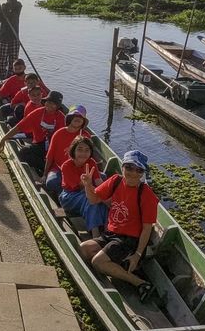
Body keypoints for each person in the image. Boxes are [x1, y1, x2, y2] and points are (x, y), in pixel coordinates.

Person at [80, 150, 158, 302]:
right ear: (122, 167)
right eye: (129, 167)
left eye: (139, 170)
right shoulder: (115, 181)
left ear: (142, 173)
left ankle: (141, 283)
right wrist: (88, 185)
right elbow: (93, 200)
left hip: (129, 240)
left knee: (97, 262)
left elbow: (147, 228)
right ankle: (116, 264)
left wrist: (137, 255)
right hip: (110, 234)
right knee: (83, 248)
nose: (133, 173)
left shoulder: (146, 194)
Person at [0, 90, 65, 173]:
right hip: (39, 144)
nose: (50, 105)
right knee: (23, 152)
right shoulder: (38, 112)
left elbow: (62, 139)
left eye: (53, 104)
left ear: (57, 106)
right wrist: (4, 138)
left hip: (53, 146)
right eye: (48, 102)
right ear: (45, 102)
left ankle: (48, 168)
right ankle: (44, 168)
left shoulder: (61, 118)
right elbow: (19, 127)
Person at [58, 137, 107, 237]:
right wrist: (90, 186)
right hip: (70, 197)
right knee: (91, 199)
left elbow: (98, 181)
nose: (83, 153)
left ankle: (107, 229)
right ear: (74, 150)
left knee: (103, 200)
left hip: (87, 190)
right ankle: (95, 234)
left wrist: (108, 194)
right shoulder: (67, 166)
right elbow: (81, 187)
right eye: (79, 150)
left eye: (87, 150)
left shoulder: (91, 162)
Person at [41, 105, 90, 196]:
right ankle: (66, 197)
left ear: (83, 121)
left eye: (80, 117)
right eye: (75, 116)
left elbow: (88, 158)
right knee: (51, 182)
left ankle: (74, 197)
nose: (77, 119)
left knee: (101, 177)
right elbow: (50, 156)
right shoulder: (59, 133)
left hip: (78, 170)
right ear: (69, 118)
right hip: (58, 169)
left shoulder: (85, 136)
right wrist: (44, 174)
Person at [0, 0, 22, 81]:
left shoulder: (18, 6)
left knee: (13, 61)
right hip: (3, 38)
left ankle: (11, 79)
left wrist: (4, 9)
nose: (12, 1)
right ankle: (1, 79)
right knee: (1, 62)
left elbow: (12, 16)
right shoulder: (3, 8)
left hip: (14, 38)